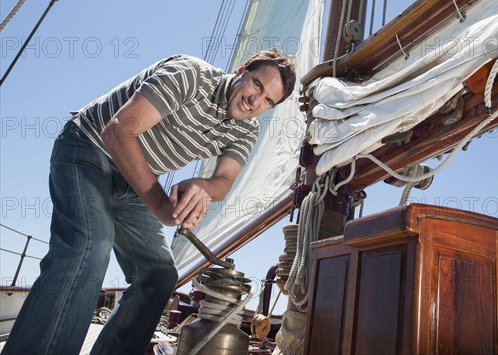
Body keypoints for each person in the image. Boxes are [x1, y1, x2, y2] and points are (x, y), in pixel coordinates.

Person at [3, 49, 296, 355]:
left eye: (267, 102)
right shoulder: (191, 75)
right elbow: (118, 131)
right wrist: (160, 206)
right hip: (88, 149)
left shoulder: (247, 128)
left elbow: (223, 182)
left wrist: (202, 186)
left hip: (133, 183)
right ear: (241, 71)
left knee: (159, 275)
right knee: (91, 245)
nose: (255, 102)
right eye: (257, 86)